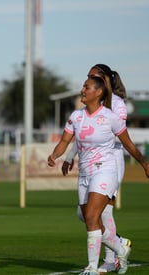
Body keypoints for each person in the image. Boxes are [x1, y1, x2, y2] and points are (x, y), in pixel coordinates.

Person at [47, 75, 149, 275]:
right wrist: (55, 155)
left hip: (105, 171)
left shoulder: (110, 117)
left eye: (86, 87)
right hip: (84, 174)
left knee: (93, 217)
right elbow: (64, 142)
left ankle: (92, 268)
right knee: (89, 219)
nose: (82, 90)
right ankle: (121, 249)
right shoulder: (76, 116)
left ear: (99, 92)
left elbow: (128, 144)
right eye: (83, 86)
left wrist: (144, 163)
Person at [61, 64, 131, 273]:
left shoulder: (117, 104)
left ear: (104, 81)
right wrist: (70, 155)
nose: (88, 81)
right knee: (86, 215)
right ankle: (119, 244)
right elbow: (85, 133)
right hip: (88, 163)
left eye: (93, 77)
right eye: (88, 77)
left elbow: (114, 135)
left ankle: (109, 259)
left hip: (110, 161)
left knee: (103, 213)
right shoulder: (83, 111)